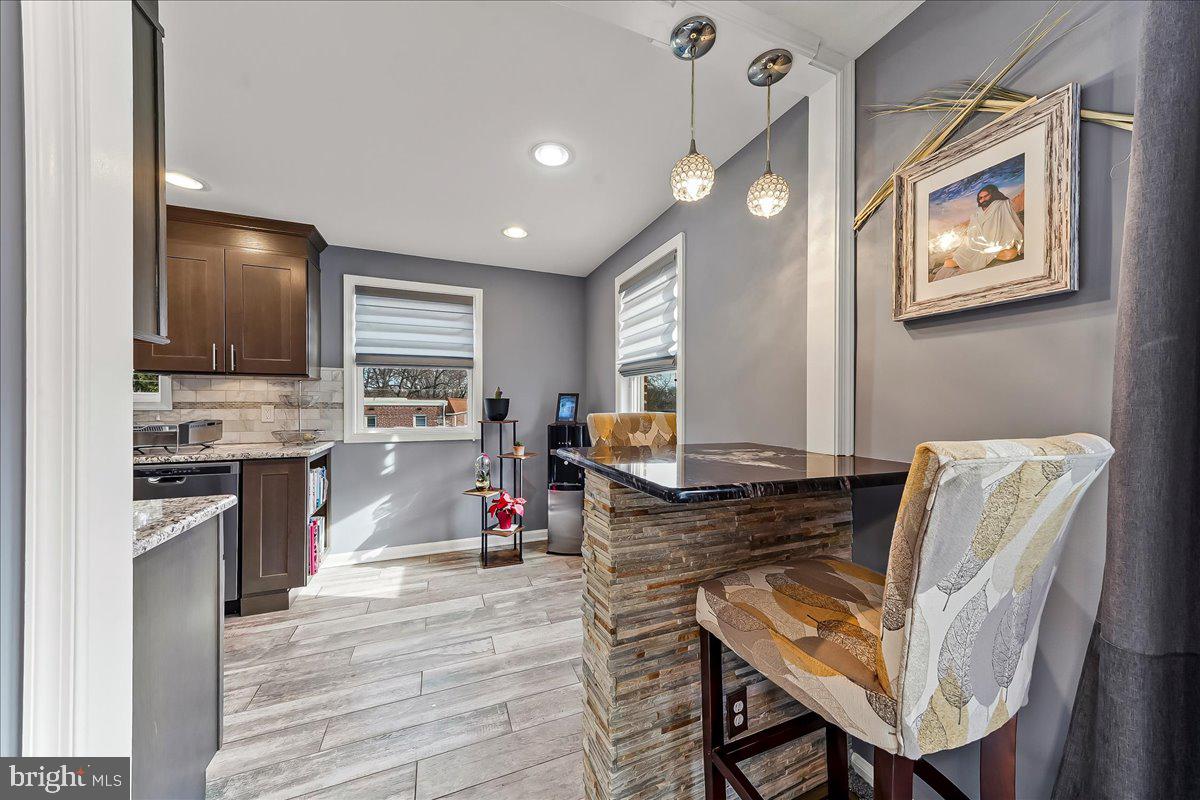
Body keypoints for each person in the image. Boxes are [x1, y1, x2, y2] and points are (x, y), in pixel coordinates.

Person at [941, 184, 1024, 273]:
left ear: (993, 194)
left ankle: (988, 255)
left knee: (1010, 253)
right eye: (980, 198)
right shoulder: (977, 214)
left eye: (986, 196)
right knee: (949, 263)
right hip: (978, 246)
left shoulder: (1002, 204)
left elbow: (1009, 224)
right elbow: (972, 233)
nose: (983, 199)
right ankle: (986, 255)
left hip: (1000, 242)